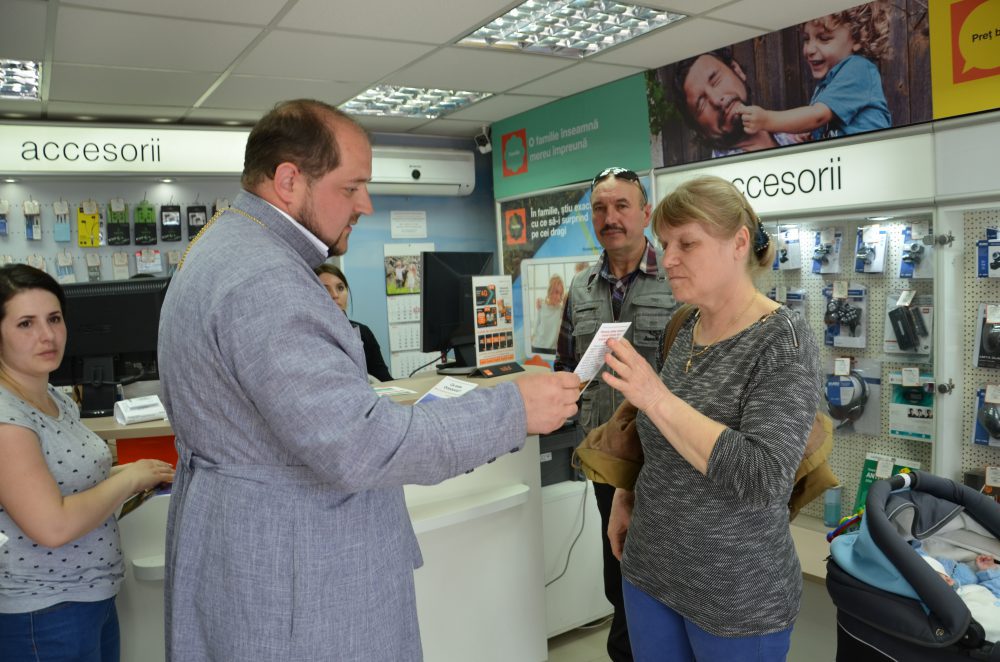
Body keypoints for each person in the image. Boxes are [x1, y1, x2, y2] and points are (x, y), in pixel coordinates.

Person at [157, 98, 580, 662]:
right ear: (289, 181)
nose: (366, 203)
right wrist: (514, 410)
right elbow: (361, 446)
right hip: (301, 590)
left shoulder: (223, 248)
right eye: (352, 187)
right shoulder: (267, 282)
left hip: (255, 557)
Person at [601, 175, 819, 660]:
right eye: (665, 244)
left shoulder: (782, 340)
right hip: (650, 572)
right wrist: (625, 493)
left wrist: (656, 397)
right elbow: (657, 436)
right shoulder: (684, 324)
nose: (668, 259)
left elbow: (763, 477)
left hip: (735, 597)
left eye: (687, 244)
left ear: (739, 243)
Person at [0, 264, 174, 661]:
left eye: (54, 319)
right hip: (44, 613)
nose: (47, 335)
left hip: (89, 598)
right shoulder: (8, 420)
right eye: (25, 324)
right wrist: (128, 480)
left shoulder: (53, 397)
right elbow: (53, 525)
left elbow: (63, 482)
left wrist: (133, 472)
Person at [555, 166, 677, 662]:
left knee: (662, 580)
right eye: (600, 209)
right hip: (608, 460)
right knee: (617, 574)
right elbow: (567, 364)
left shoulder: (677, 280)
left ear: (645, 213)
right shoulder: (581, 287)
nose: (610, 218)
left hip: (667, 460)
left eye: (622, 206)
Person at [738, 4, 891, 140]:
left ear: (857, 39)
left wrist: (766, 120)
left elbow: (818, 116)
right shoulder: (829, 83)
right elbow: (821, 122)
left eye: (824, 38)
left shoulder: (858, 68)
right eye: (806, 39)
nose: (809, 49)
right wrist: (811, 133)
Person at [671, 48, 801, 158]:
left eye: (716, 80)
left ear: (736, 70)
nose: (716, 100)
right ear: (701, 132)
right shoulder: (724, 175)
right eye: (701, 103)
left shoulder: (792, 131)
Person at [315, 262, 393, 382]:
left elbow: (384, 379)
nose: (335, 295)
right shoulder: (309, 335)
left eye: (340, 288)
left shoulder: (363, 332)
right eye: (325, 290)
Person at [531, 273, 565, 354]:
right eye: (556, 292)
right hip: (537, 347)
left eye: (560, 294)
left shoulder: (560, 310)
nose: (558, 297)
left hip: (552, 350)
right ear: (550, 291)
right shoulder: (541, 306)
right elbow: (536, 327)